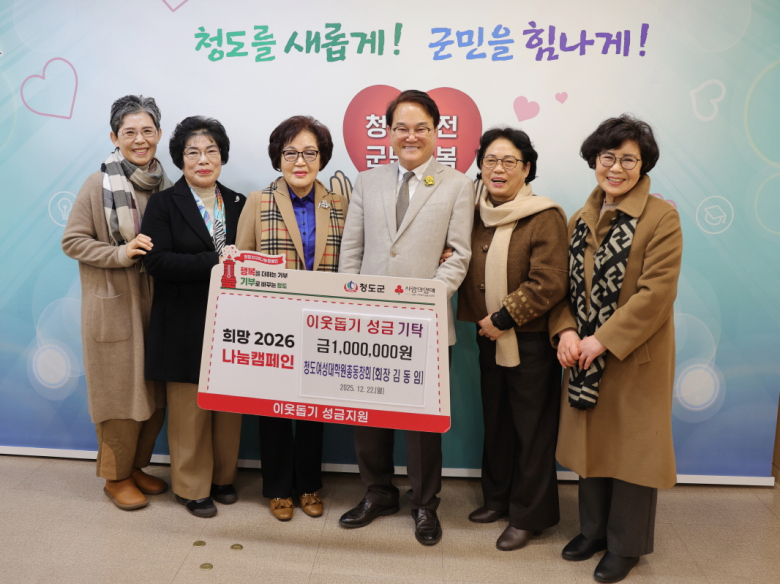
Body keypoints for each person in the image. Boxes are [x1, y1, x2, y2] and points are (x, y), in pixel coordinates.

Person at [549, 115, 682, 583]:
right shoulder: (579, 218)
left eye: (629, 159)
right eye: (609, 157)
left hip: (634, 357)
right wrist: (566, 332)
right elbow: (563, 291)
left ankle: (626, 545)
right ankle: (593, 531)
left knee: (633, 451)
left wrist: (603, 338)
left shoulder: (661, 217)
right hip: (583, 355)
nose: (617, 168)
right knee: (593, 443)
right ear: (594, 160)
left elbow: (656, 294)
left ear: (643, 165)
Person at [338, 89, 474, 545]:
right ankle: (378, 492)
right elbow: (352, 251)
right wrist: (350, 305)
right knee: (368, 415)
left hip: (426, 325)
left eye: (421, 128)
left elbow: (459, 257)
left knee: (422, 424)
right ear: (389, 133)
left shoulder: (457, 185)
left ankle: (424, 504)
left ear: (436, 132)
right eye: (402, 128)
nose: (410, 136)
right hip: (368, 321)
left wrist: (426, 301)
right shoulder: (367, 181)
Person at [457, 127, 568, 551]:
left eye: (509, 161)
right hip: (488, 338)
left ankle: (529, 516)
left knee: (532, 431)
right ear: (480, 166)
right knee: (498, 423)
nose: (498, 169)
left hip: (531, 342)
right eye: (490, 160)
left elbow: (550, 282)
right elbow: (461, 256)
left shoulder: (544, 215)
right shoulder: (475, 213)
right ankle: (497, 500)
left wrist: (503, 318)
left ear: (527, 168)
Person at [235, 116, 348, 521]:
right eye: (291, 153)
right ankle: (279, 488)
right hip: (272, 324)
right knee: (274, 409)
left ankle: (309, 485)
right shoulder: (258, 200)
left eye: (310, 153)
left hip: (323, 323)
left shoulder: (339, 204)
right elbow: (241, 262)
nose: (300, 162)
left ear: (323, 158)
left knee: (314, 409)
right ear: (278, 157)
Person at [62, 95, 171, 511]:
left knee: (152, 396)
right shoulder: (99, 184)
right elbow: (73, 241)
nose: (139, 140)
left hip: (156, 306)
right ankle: (115, 476)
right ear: (114, 137)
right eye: (130, 132)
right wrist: (120, 253)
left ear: (158, 134)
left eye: (147, 131)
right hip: (113, 307)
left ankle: (136, 466)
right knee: (119, 396)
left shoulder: (166, 185)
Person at [141, 116, 246, 518]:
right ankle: (191, 487)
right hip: (182, 321)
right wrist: (216, 261)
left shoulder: (238, 202)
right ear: (180, 159)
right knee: (190, 408)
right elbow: (156, 261)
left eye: (211, 151)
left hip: (231, 321)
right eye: (193, 152)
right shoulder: (164, 203)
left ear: (222, 156)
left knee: (228, 405)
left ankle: (222, 478)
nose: (203, 160)